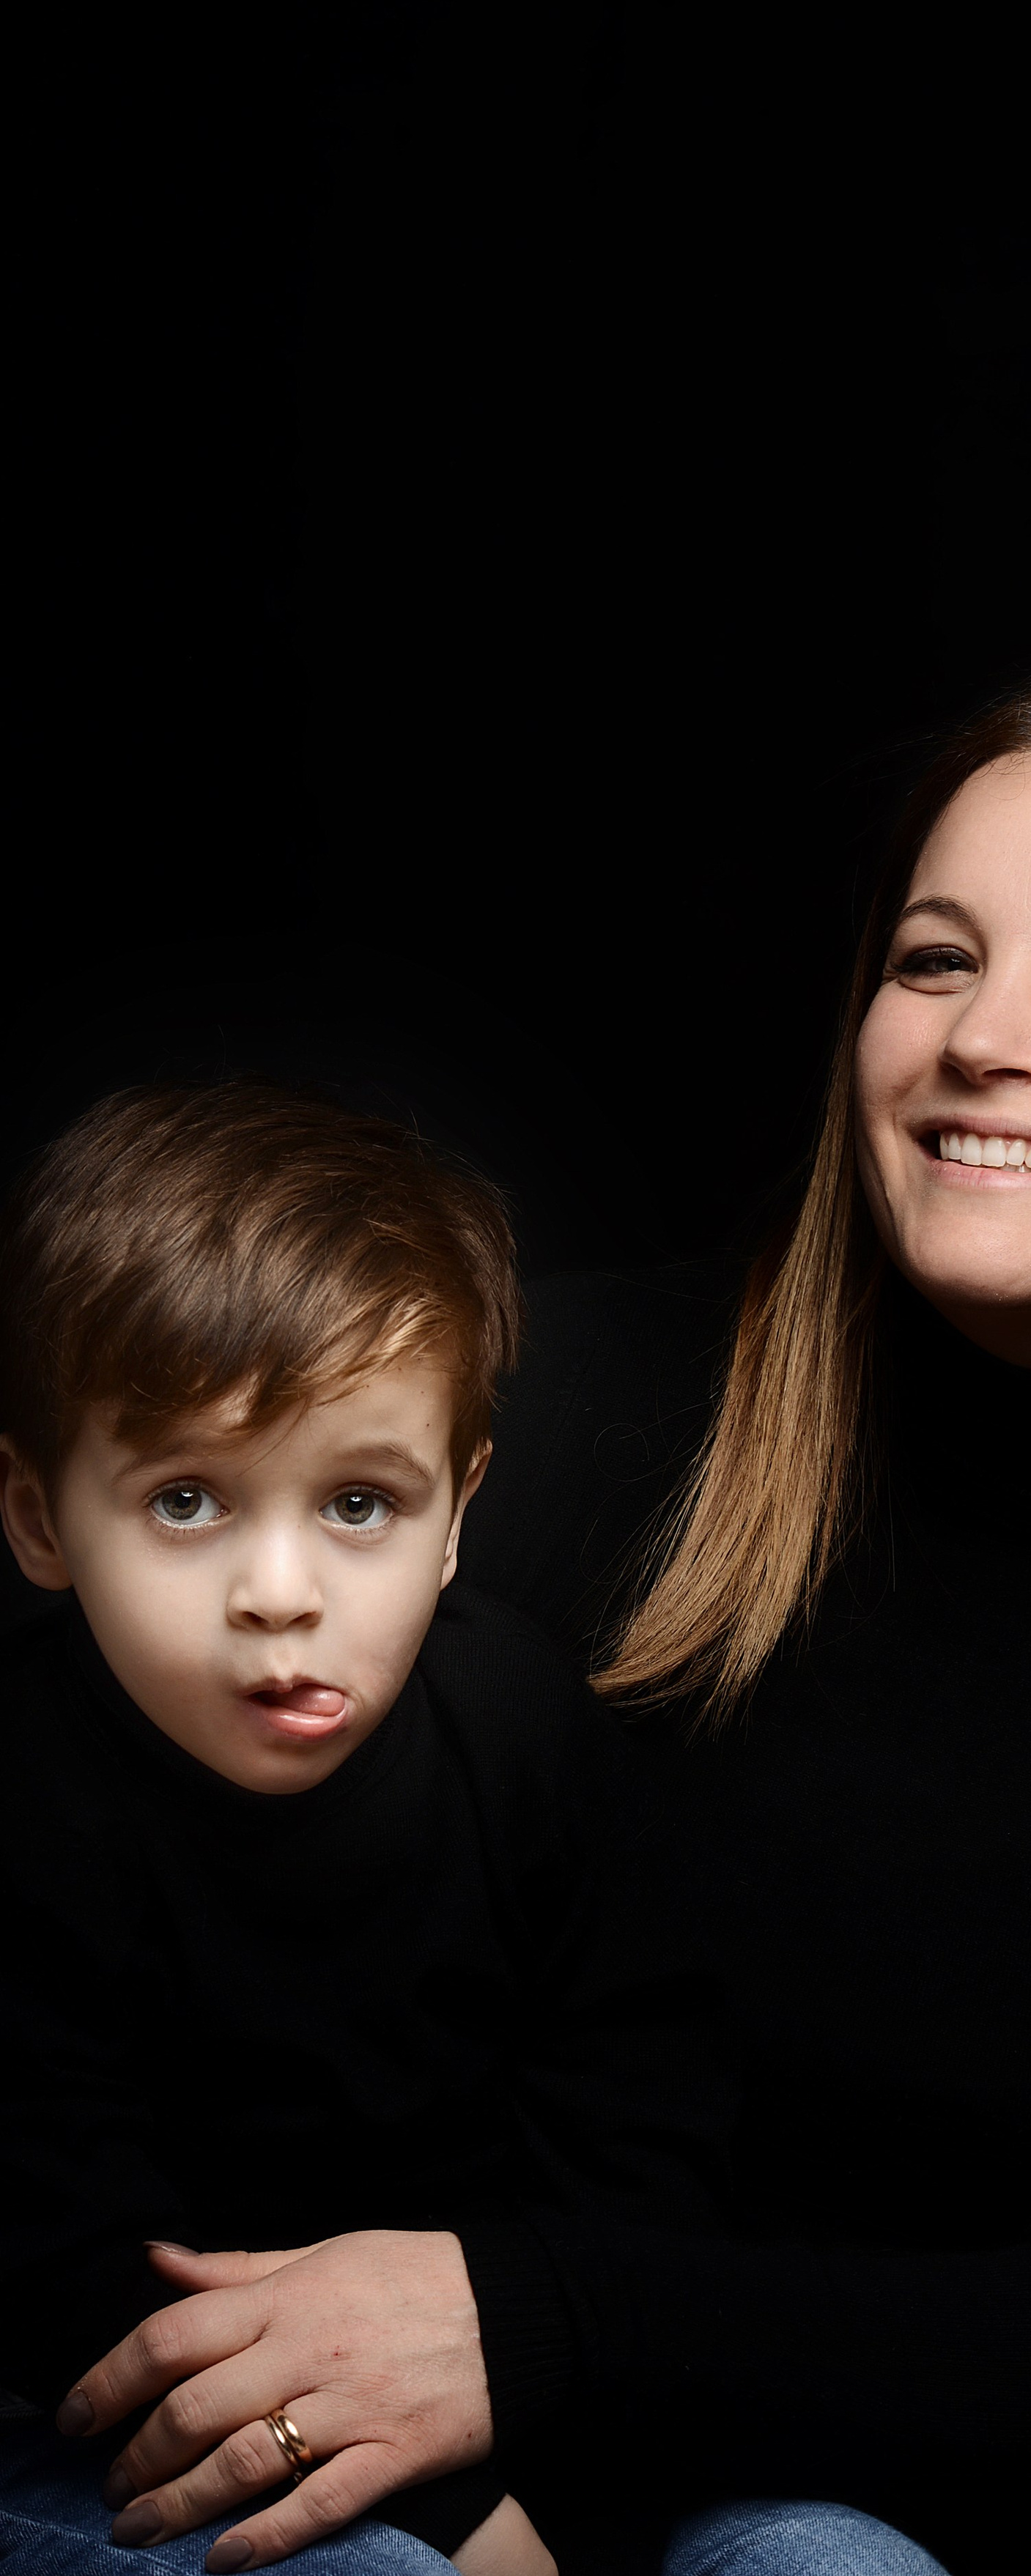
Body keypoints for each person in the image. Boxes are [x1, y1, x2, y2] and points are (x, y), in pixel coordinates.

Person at [46, 669, 1031, 2576]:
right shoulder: (536, 1409)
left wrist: (534, 2328)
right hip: (351, 2466)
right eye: (934, 958)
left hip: (865, 2506)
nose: (985, 1036)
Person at [0, 1085, 730, 2576]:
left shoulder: (522, 1731)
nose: (281, 1591)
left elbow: (640, 2138)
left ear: (456, 1513)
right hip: (117, 2421)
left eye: (357, 1504)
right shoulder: (28, 1791)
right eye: (189, 1499)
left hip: (517, 2404)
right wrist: (456, 2519)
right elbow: (64, 2260)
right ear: (37, 1518)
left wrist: (529, 2449)